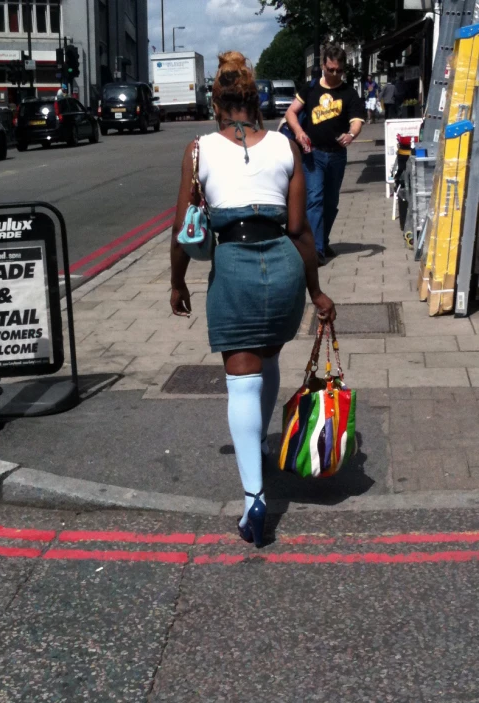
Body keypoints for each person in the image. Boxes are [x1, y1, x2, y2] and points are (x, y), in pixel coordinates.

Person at [170, 51, 336, 548]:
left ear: (217, 101)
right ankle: (261, 448)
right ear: (257, 100)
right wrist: (315, 291)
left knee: (241, 382)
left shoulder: (198, 150)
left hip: (236, 270)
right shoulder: (285, 147)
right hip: (285, 270)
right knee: (269, 356)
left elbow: (182, 230)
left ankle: (254, 503)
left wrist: (177, 283)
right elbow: (301, 230)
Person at [285, 44, 366, 264]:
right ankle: (315, 250)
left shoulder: (349, 93)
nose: (334, 74)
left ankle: (323, 239)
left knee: (331, 203)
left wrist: (351, 134)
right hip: (314, 156)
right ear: (323, 66)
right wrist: (300, 132)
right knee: (315, 199)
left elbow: (357, 120)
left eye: (339, 70)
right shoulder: (310, 89)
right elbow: (291, 112)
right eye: (330, 69)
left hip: (337, 156)